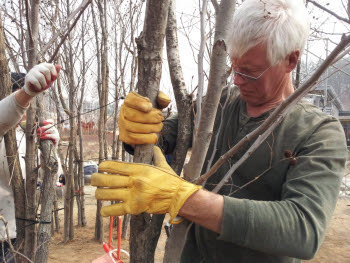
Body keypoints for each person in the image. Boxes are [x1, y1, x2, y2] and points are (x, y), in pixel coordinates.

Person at [91, 0, 348, 262]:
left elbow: (303, 230)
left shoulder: (319, 133)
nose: (237, 80)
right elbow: (166, 136)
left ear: (291, 60)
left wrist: (184, 198)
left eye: (250, 73)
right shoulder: (221, 103)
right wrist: (139, 127)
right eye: (234, 68)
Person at [0, 63, 60, 262]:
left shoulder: (26, 136)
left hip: (21, 232)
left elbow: (56, 180)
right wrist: (25, 93)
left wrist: (51, 150)